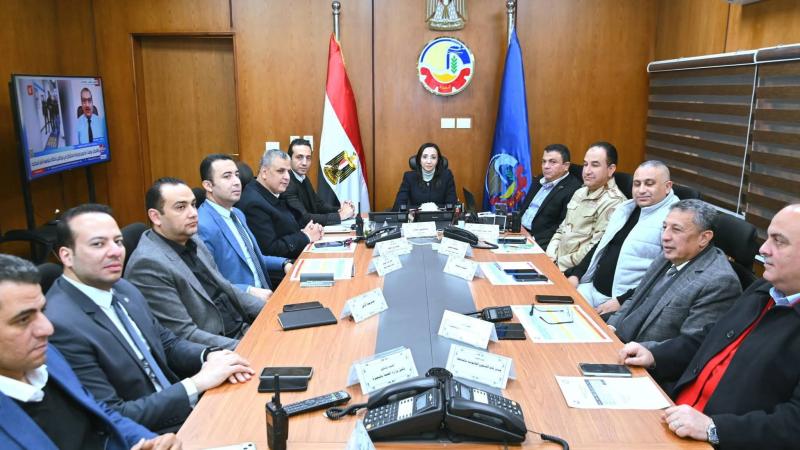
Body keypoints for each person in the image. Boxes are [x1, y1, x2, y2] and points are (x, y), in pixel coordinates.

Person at [45, 204, 255, 433]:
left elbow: (168, 343)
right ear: (66, 256)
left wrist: (211, 355)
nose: (115, 251)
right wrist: (195, 384)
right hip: (151, 434)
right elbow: (112, 416)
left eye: (117, 241)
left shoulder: (123, 288)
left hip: (186, 409)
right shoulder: (60, 324)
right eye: (98, 244)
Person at [619, 204, 800, 449]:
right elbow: (711, 337)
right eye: (767, 237)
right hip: (673, 412)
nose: (763, 249)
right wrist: (655, 355)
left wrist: (713, 428)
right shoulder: (763, 289)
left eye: (779, 241)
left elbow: (793, 424)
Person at [0, 254, 181, 450]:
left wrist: (148, 441)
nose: (47, 329)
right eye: (23, 320)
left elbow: (99, 413)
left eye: (42, 311)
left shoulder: (48, 357)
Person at [125, 178, 265, 350]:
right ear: (155, 217)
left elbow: (226, 287)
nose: (193, 213)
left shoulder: (192, 239)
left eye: (193, 204)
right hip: (220, 348)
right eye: (181, 207)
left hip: (244, 328)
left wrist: (271, 311)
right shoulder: (148, 265)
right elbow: (185, 335)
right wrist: (251, 348)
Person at [607, 200, 740, 348]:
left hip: (646, 355)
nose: (665, 236)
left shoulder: (719, 282)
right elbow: (636, 298)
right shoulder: (669, 254)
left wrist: (637, 350)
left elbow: (690, 344)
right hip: (618, 338)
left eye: (676, 230)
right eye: (665, 227)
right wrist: (611, 327)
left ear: (704, 238)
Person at [567, 160, 678, 312]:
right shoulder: (625, 208)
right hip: (590, 287)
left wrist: (622, 301)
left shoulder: (674, 220)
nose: (641, 190)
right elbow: (602, 246)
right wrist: (576, 275)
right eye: (637, 184)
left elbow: (665, 275)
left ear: (668, 187)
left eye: (649, 184)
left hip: (623, 303)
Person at [197, 154, 292, 298]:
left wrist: (284, 263)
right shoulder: (202, 225)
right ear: (208, 185)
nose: (237, 182)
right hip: (240, 305)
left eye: (236, 175)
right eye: (227, 176)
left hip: (266, 297)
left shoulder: (237, 213)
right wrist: (248, 290)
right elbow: (208, 283)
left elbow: (252, 258)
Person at [546, 141, 626, 271]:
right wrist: (549, 257)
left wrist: (557, 264)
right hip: (554, 263)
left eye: (595, 165)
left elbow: (594, 248)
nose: (587, 171)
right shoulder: (580, 192)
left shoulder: (614, 202)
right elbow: (561, 230)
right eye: (585, 164)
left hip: (574, 271)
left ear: (611, 169)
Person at [238, 149, 324, 259]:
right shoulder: (253, 204)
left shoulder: (273, 192)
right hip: (285, 266)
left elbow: (285, 229)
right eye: (280, 171)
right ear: (264, 173)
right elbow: (270, 250)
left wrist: (307, 231)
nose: (287, 177)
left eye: (288, 171)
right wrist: (306, 236)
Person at [518, 144, 581, 249]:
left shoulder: (574, 190)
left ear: (566, 166)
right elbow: (524, 208)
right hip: (518, 232)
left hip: (537, 241)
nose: (546, 166)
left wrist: (532, 239)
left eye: (553, 162)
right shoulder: (539, 179)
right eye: (544, 161)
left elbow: (562, 226)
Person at [283, 138, 355, 226]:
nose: (304, 163)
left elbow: (318, 205)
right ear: (289, 159)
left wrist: (341, 210)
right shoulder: (286, 183)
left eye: (308, 158)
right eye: (299, 157)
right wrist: (340, 216)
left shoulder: (302, 177)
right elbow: (303, 218)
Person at [391, 142, 457, 211]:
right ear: (419, 160)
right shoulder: (409, 177)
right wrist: (421, 209)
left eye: (433, 157)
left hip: (439, 217)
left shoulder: (447, 176)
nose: (429, 161)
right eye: (425, 157)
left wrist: (434, 208)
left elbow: (452, 205)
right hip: (415, 217)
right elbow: (398, 206)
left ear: (438, 160)